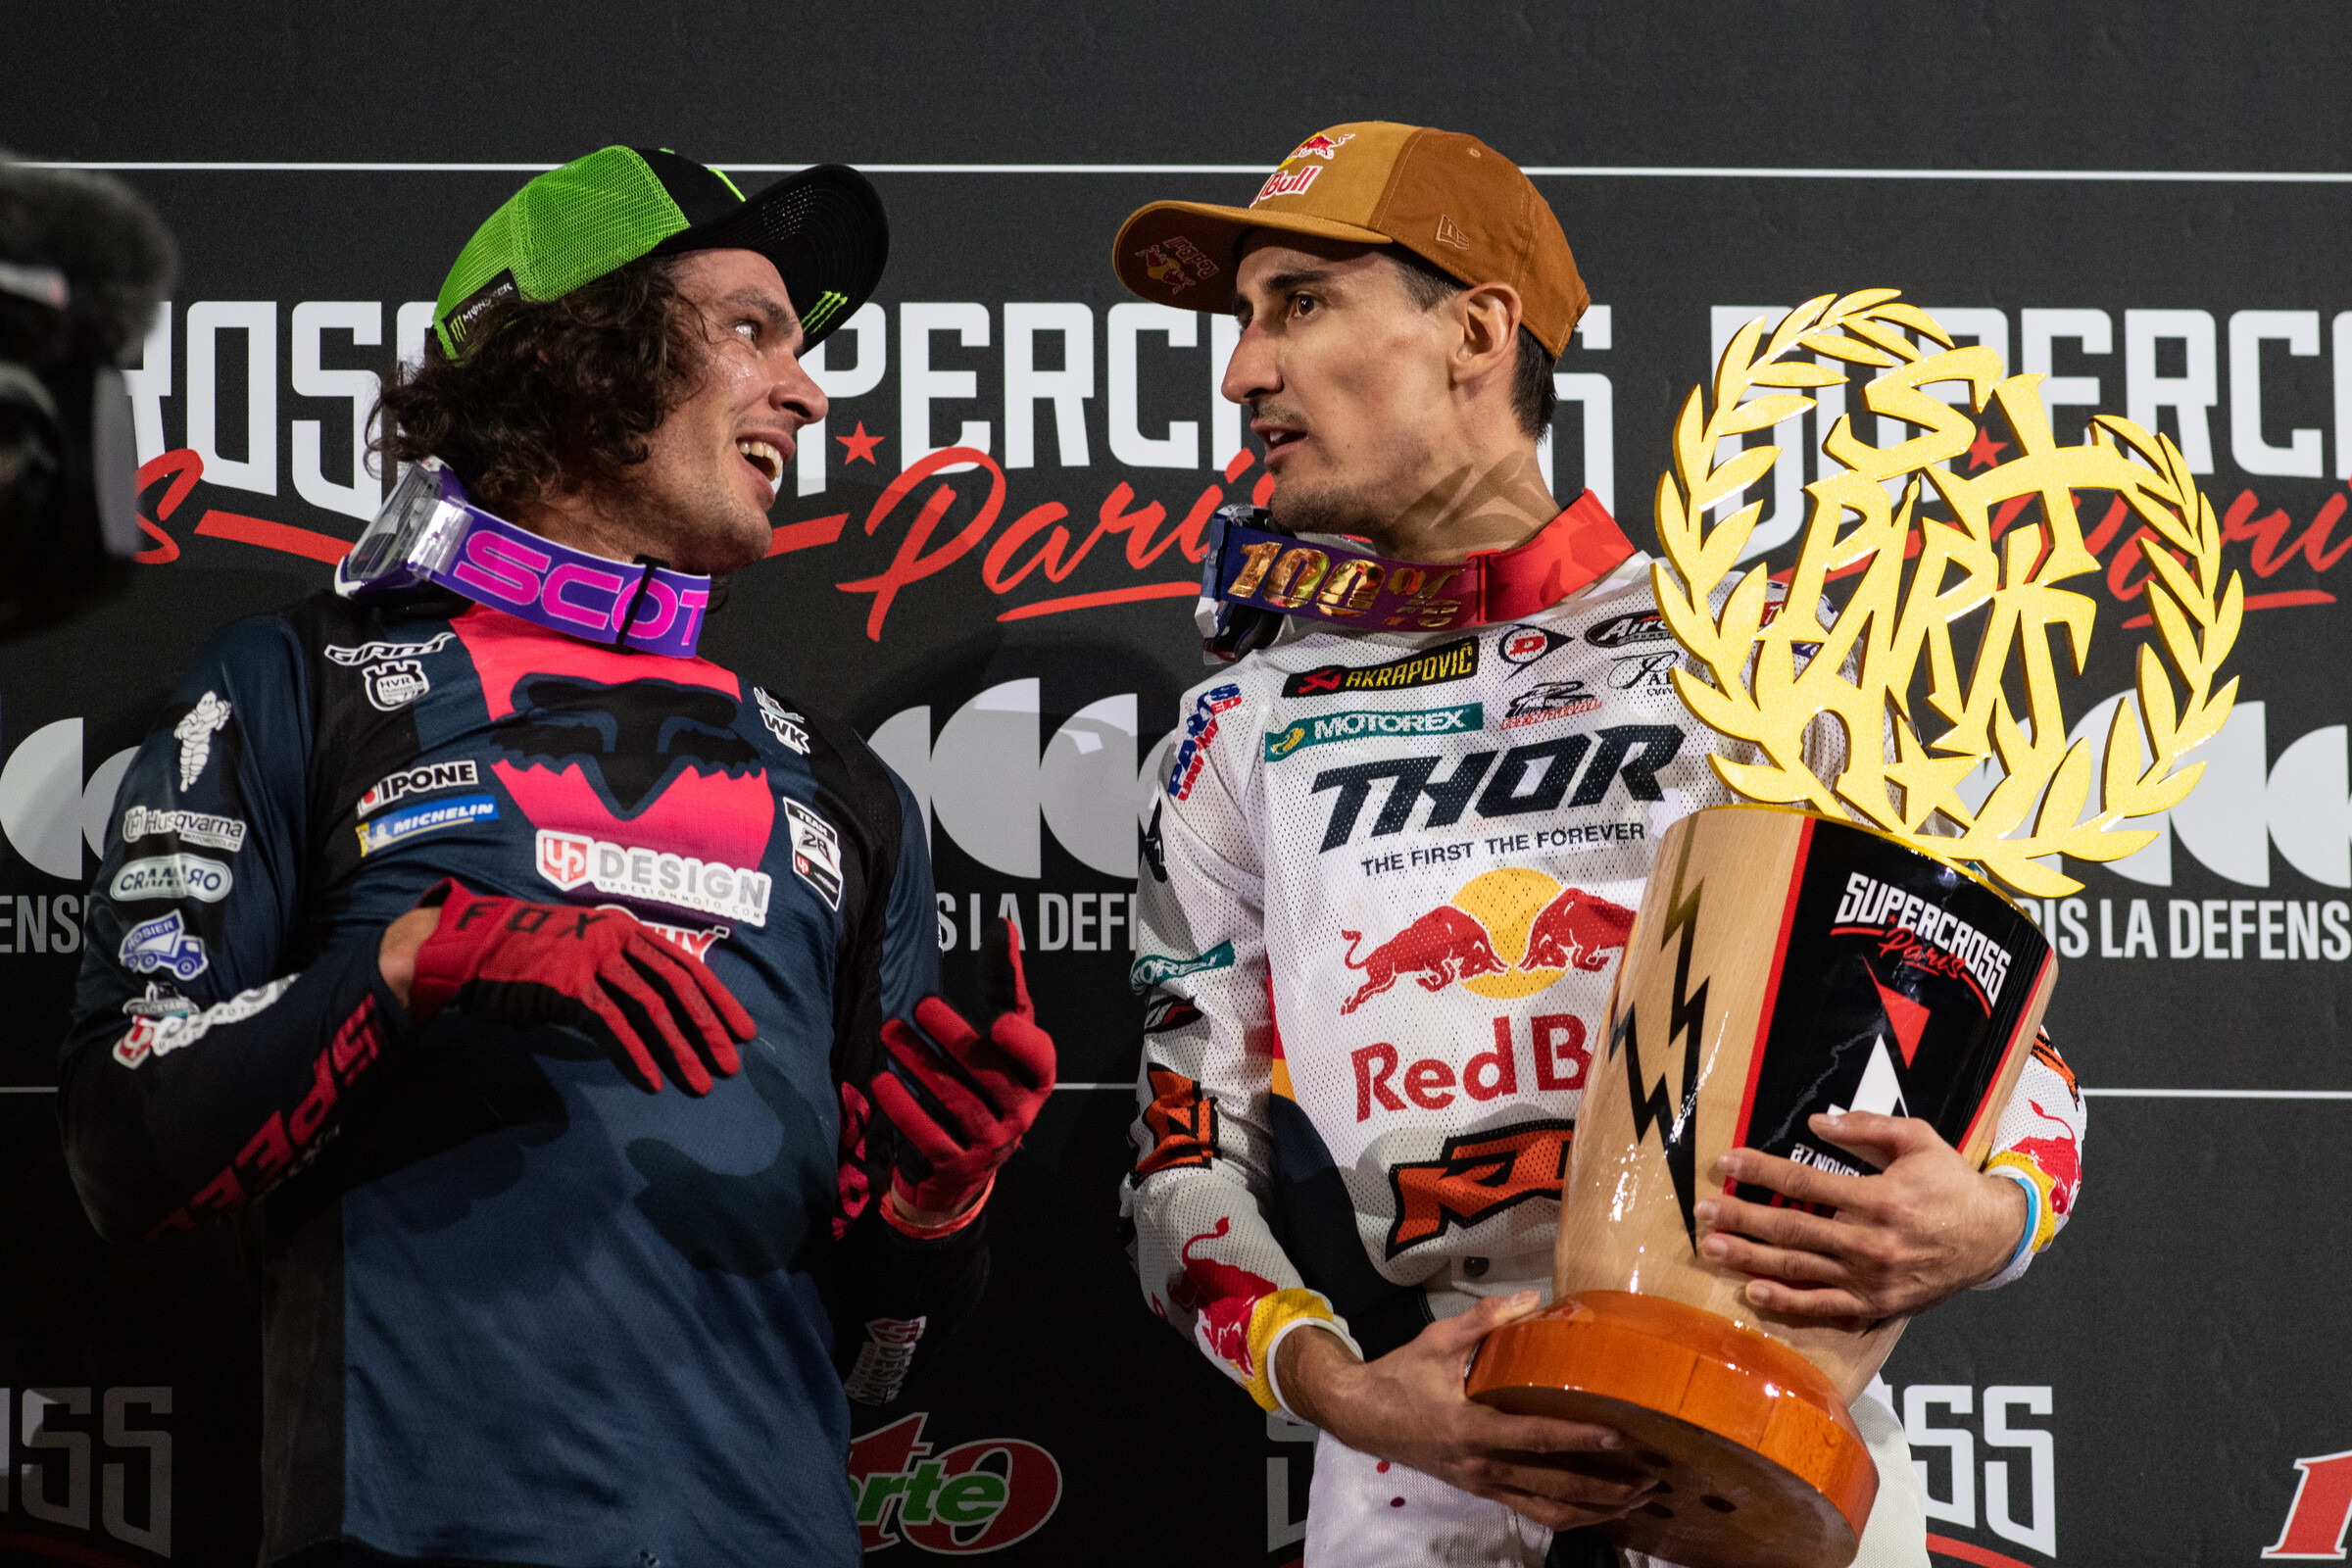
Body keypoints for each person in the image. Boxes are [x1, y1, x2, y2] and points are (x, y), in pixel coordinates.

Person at [58, 146, 1054, 1568]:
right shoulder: (304, 683)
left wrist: (930, 1208)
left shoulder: (847, 790)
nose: (807, 390)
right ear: (573, 350)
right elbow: (118, 1156)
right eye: (748, 329)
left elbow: (872, 1371)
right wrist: (413, 964)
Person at [1112, 122, 2086, 1568]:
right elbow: (1181, 1151)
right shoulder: (1237, 731)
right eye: (1247, 320)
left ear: (1477, 330)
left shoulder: (1752, 662)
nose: (1243, 370)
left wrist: (1992, 1215)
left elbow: (2013, 1054)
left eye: (1299, 305)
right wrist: (1346, 1393)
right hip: (1424, 1453)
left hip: (1775, 1422)